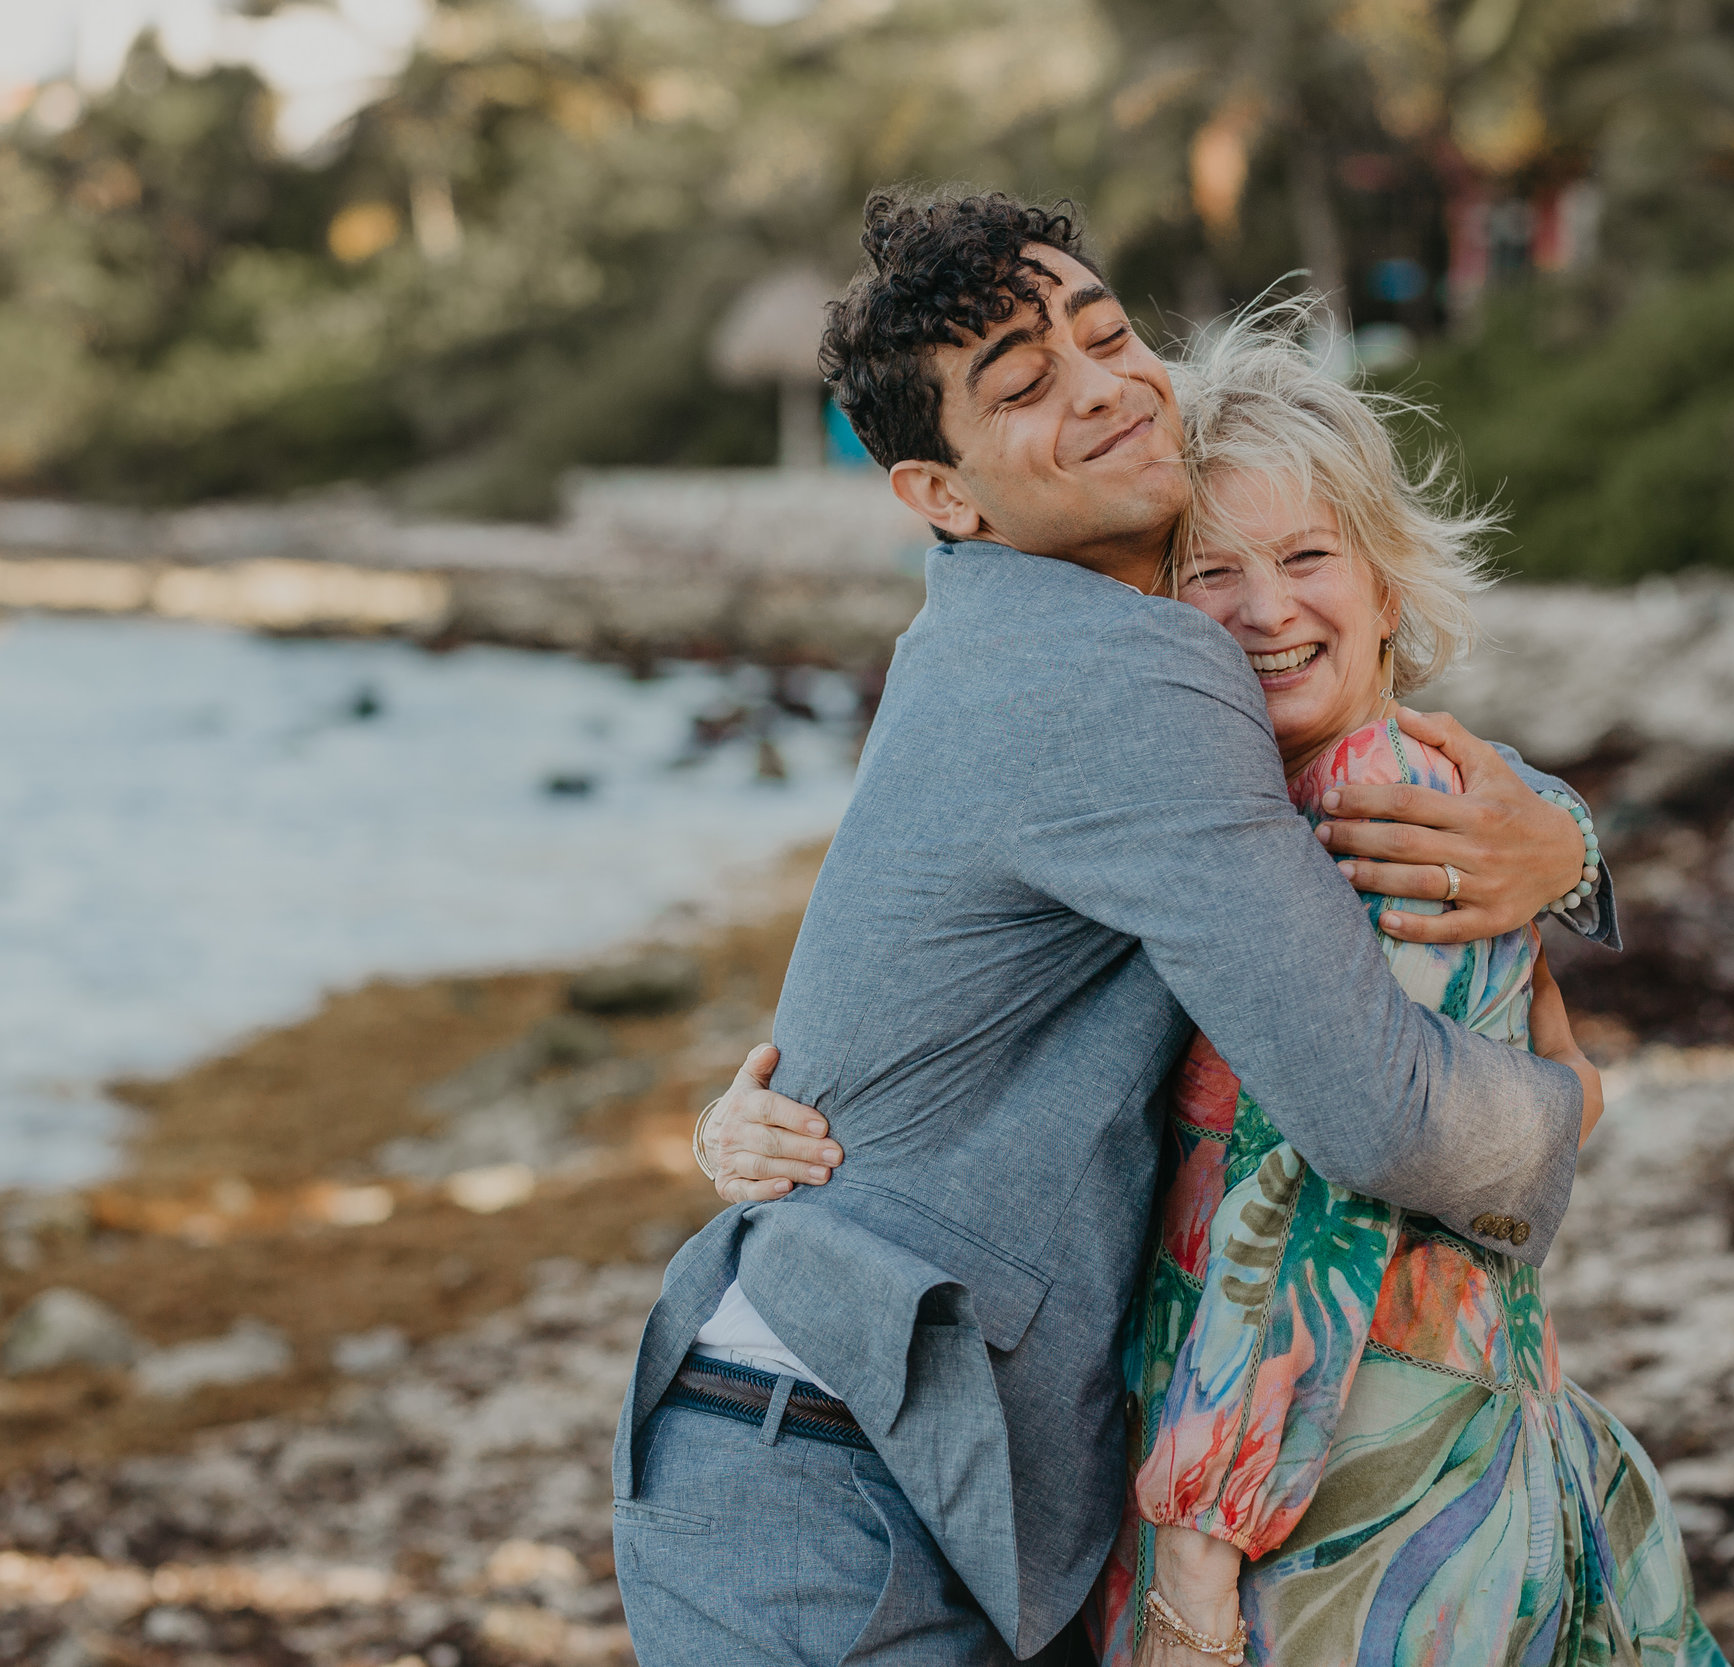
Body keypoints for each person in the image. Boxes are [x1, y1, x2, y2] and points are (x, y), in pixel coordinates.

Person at [614, 189, 1617, 1667]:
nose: (1101, 386)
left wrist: (1566, 840)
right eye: (1025, 388)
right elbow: (1376, 1113)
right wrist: (1570, 1108)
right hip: (838, 1467)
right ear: (942, 496)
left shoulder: (1006, 621)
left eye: (1108, 333)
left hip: (857, 1430)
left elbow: (1347, 758)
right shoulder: (1122, 672)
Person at [1070, 307, 1725, 1666]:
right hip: (1327, 1449)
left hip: (1353, 1488)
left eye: (1308, 557)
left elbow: (1316, 1188)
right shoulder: (1257, 816)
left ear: (1383, 580)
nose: (1266, 609)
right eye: (1213, 572)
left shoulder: (1388, 807)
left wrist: (1197, 1544)